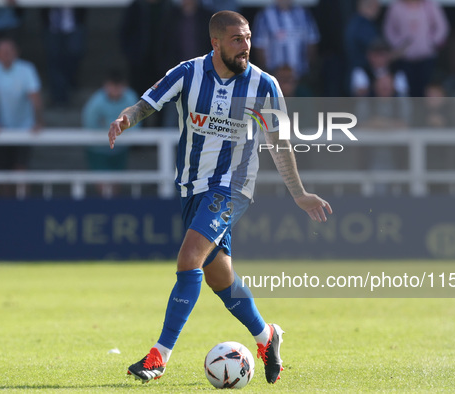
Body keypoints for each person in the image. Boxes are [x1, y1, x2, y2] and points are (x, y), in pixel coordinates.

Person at [108, 11, 332, 384]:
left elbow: (279, 143)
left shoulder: (264, 84)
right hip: (191, 187)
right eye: (236, 39)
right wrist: (126, 119)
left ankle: (159, 356)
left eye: (247, 38)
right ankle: (267, 337)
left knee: (188, 258)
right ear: (215, 43)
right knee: (218, 277)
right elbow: (148, 102)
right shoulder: (188, 73)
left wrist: (299, 193)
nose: (245, 46)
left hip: (233, 186)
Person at [0, 38, 43, 196]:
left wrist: (38, 121)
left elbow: (34, 96)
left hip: (24, 127)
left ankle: (22, 206)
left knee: (20, 168)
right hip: (1, 128)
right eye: (2, 52)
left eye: (10, 51)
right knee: (2, 171)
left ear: (17, 53)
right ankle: (6, 207)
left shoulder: (27, 69)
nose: (6, 55)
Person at [82, 70, 138, 197]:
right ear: (106, 85)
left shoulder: (130, 97)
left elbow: (136, 123)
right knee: (102, 186)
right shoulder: (96, 102)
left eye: (119, 86)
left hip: (120, 149)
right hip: (98, 151)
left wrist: (108, 124)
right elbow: (90, 125)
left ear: (125, 86)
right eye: (112, 86)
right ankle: (104, 208)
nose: (115, 90)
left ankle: (113, 209)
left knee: (117, 184)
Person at [383, 0, 449, 97]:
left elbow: (442, 27)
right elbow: (389, 30)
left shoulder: (429, 5)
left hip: (426, 58)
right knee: (406, 90)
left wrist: (432, 42)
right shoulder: (396, 7)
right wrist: (398, 44)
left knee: (426, 90)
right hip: (404, 59)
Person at [252, 0, 320, 81]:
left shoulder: (304, 14)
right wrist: (266, 72)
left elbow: (312, 41)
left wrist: (310, 68)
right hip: (274, 74)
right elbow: (259, 45)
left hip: (301, 74)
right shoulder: (265, 15)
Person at [41, 7, 87, 106]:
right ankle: (59, 97)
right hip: (52, 28)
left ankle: (70, 88)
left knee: (73, 58)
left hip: (73, 26)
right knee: (54, 63)